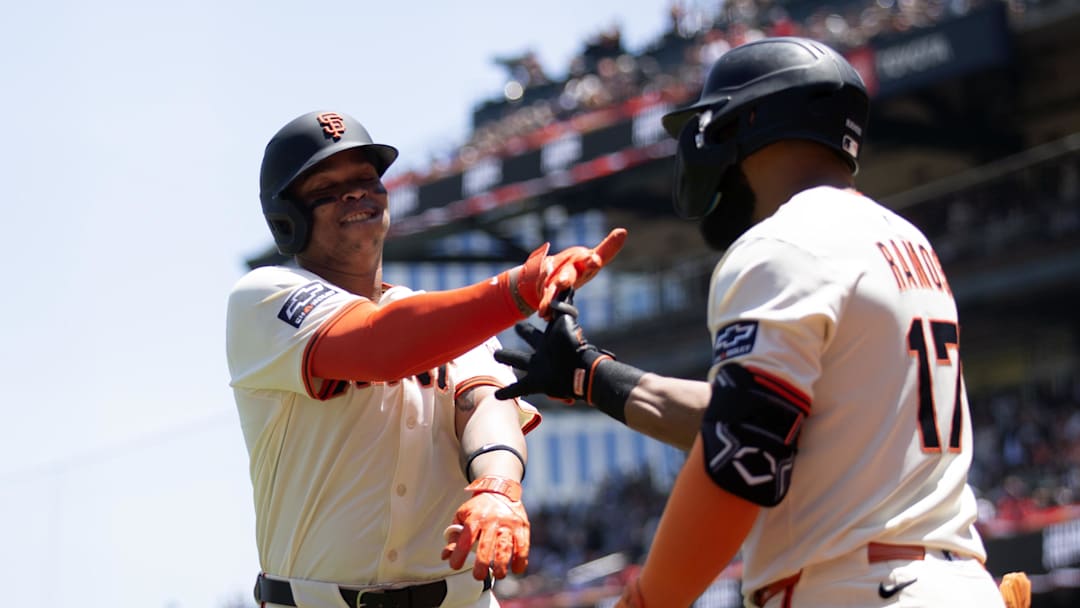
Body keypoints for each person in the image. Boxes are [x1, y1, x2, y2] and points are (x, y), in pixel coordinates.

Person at [494, 38, 1027, 607]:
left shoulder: (783, 243)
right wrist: (593, 376)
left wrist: (648, 599)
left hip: (855, 588)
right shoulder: (903, 239)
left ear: (745, 123)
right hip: (953, 584)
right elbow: (778, 426)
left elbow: (743, 458)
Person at [225, 109, 627, 608]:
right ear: (287, 216)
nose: (355, 193)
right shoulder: (264, 297)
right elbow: (379, 345)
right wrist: (518, 289)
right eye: (327, 188)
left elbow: (487, 403)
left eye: (366, 180)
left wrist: (497, 483)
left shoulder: (442, 320)